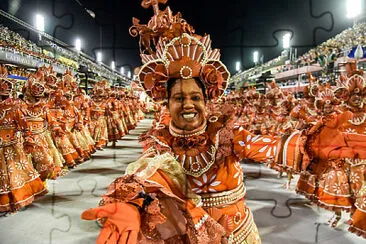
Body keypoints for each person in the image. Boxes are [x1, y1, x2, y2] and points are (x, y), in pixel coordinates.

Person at [81, 1, 281, 243]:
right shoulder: (160, 146)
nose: (188, 104)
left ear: (207, 100)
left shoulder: (228, 136)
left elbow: (273, 148)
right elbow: (146, 178)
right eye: (178, 97)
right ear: (166, 102)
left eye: (196, 96)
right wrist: (131, 205)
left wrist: (306, 142)